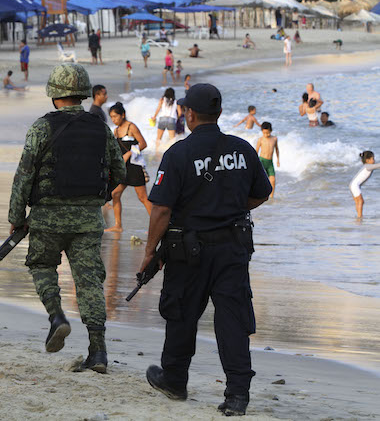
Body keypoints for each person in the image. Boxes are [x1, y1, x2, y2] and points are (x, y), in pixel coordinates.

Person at [142, 83, 272, 416]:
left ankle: (174, 379)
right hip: (233, 248)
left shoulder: (178, 154)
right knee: (233, 320)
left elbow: (161, 210)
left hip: (189, 250)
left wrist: (149, 253)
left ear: (190, 114)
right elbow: (262, 192)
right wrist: (229, 208)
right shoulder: (242, 149)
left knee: (181, 314)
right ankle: (237, 395)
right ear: (219, 113)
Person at [8, 63, 125, 372]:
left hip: (47, 217)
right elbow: (120, 172)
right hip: (88, 220)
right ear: (84, 94)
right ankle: (98, 351)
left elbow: (24, 176)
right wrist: (96, 196)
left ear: (54, 95)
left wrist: (16, 216)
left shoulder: (41, 127)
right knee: (89, 283)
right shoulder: (100, 127)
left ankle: (56, 316)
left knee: (42, 265)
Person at [105, 101, 151, 233]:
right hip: (123, 168)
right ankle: (118, 225)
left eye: (115, 116)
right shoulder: (116, 130)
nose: (113, 119)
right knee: (115, 193)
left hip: (135, 166)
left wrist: (129, 153)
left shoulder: (132, 127)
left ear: (123, 115)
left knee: (143, 198)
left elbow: (143, 144)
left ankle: (156, 225)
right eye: (112, 117)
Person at [350, 151, 380, 218]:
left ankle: (359, 216)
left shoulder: (367, 166)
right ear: (367, 160)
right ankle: (360, 217)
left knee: (358, 201)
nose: (374, 160)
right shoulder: (367, 166)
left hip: (353, 185)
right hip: (355, 185)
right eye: (373, 159)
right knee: (360, 201)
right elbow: (377, 166)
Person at [256, 122, 280, 198]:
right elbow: (256, 151)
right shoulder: (261, 139)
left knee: (272, 179)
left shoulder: (274, 139)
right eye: (264, 133)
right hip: (262, 161)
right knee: (261, 180)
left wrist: (278, 160)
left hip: (270, 162)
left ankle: (272, 197)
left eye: (268, 133)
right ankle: (261, 195)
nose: (266, 134)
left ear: (271, 130)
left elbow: (277, 149)